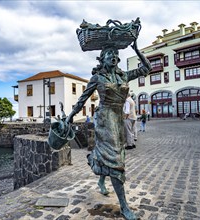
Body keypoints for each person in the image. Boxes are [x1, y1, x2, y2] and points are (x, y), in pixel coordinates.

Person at [65, 40, 151, 220]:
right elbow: (82, 99)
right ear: (102, 59)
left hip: (118, 120)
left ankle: (100, 174)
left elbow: (146, 68)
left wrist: (136, 50)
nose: (114, 56)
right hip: (104, 120)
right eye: (109, 54)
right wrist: (70, 115)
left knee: (117, 153)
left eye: (115, 54)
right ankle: (124, 206)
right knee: (116, 160)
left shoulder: (124, 76)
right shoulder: (98, 78)